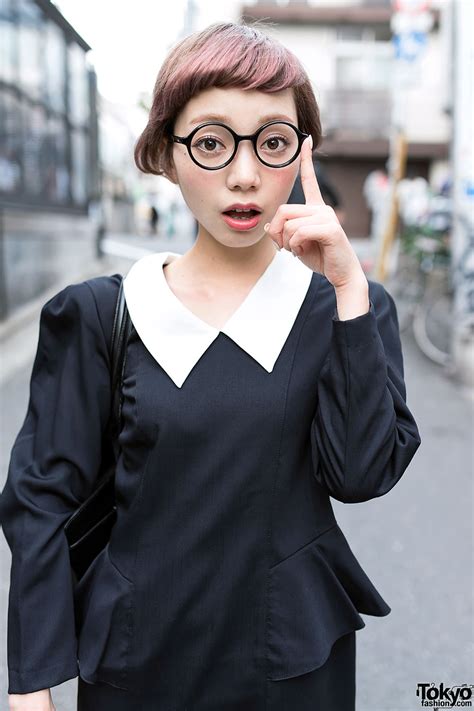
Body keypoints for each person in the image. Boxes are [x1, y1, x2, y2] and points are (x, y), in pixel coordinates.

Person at [0, 21, 422, 711]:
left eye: (274, 142)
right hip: (139, 666)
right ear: (166, 154)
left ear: (302, 155)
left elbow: (360, 473)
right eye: (212, 141)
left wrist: (349, 288)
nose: (246, 173)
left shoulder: (348, 308)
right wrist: (31, 688)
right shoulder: (104, 315)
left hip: (292, 668)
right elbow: (41, 501)